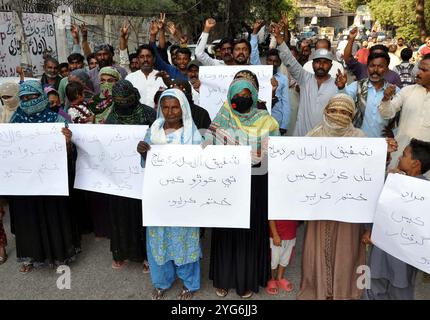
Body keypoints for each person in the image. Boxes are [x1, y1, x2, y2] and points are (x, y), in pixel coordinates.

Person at [206, 71, 279, 298]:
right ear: (230, 96)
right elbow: (207, 146)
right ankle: (224, 278)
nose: (242, 98)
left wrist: (237, 148)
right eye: (238, 94)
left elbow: (268, 154)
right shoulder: (221, 118)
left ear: (255, 95)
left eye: (247, 94)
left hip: (255, 183)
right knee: (227, 231)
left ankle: (246, 279)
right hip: (227, 184)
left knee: (249, 231)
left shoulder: (266, 121)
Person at [298, 93, 367, 300]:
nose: (339, 116)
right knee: (317, 248)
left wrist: (384, 154)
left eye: (345, 112)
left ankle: (344, 289)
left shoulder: (360, 139)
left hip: (348, 208)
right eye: (334, 110)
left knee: (347, 249)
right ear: (325, 111)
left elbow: (367, 172)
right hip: (319, 206)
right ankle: (318, 288)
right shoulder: (314, 136)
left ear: (352, 115)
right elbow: (299, 166)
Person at [8, 80, 81, 273]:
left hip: (51, 181)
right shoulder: (15, 122)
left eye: (33, 97)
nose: (29, 101)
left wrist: (66, 142)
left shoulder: (56, 120)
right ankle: (31, 256)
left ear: (41, 96)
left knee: (54, 215)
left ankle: (60, 254)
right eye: (24, 98)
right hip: (25, 182)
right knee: (28, 218)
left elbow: (71, 154)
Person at [137, 88, 202, 300]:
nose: (170, 111)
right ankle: (161, 281)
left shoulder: (192, 133)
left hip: (184, 198)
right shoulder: (154, 129)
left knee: (184, 239)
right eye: (165, 107)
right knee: (158, 239)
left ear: (182, 108)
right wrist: (143, 152)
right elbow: (146, 164)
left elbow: (201, 165)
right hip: (158, 197)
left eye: (175, 107)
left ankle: (190, 284)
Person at [363, 138, 430, 299]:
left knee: (396, 289)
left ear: (416, 163)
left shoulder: (425, 193)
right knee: (376, 286)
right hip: (381, 250)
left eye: (405, 155)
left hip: (403, 257)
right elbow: (375, 206)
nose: (399, 157)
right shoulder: (392, 181)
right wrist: (369, 231)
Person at [104, 80, 156, 271]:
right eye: (119, 101)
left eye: (127, 100)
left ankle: (145, 255)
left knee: (143, 215)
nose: (123, 104)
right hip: (120, 177)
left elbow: (159, 137)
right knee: (119, 215)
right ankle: (120, 253)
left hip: (143, 174)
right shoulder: (111, 117)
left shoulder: (148, 113)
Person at [273, 22, 338, 136]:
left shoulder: (337, 84)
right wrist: (278, 37)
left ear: (331, 65)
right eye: (317, 62)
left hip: (325, 140)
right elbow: (289, 60)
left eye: (325, 63)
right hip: (302, 138)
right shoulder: (305, 78)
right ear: (312, 64)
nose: (321, 66)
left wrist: (342, 88)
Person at [379, 54, 430, 175]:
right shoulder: (408, 91)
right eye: (419, 68)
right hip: (402, 155)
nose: (418, 73)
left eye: (424, 70)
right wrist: (386, 99)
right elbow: (387, 113)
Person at [336, 52, 400, 138]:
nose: (375, 70)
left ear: (386, 69)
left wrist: (394, 133)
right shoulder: (358, 86)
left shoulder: (394, 91)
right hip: (358, 140)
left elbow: (398, 118)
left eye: (380, 66)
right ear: (367, 68)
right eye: (372, 66)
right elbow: (344, 100)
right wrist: (341, 87)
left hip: (383, 142)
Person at [125, 44, 166, 109]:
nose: (145, 59)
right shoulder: (130, 78)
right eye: (142, 57)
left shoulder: (162, 77)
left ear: (154, 59)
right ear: (138, 60)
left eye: (148, 56)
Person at [265, 219, 299, 295]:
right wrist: (275, 234)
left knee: (285, 258)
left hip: (291, 233)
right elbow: (271, 217)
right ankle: (271, 279)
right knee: (274, 259)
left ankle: (280, 278)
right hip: (277, 233)